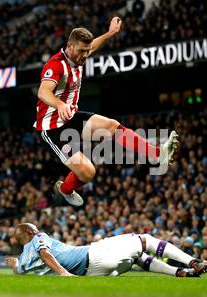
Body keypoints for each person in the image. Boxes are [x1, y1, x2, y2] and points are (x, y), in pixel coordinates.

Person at [34, 17, 179, 206]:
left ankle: (157, 154)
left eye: (87, 51)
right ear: (69, 46)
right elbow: (43, 91)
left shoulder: (78, 54)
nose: (86, 55)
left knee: (112, 126)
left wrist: (110, 34)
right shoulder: (55, 65)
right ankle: (65, 189)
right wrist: (59, 105)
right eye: (82, 51)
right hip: (52, 127)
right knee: (88, 172)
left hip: (70, 116)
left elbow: (93, 45)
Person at [4, 223, 207, 278]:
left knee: (137, 257)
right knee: (145, 239)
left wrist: (13, 263)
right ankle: (192, 262)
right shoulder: (39, 238)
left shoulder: (23, 259)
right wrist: (63, 273)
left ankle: (179, 273)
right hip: (93, 254)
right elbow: (46, 253)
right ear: (31, 232)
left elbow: (19, 269)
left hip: (95, 272)